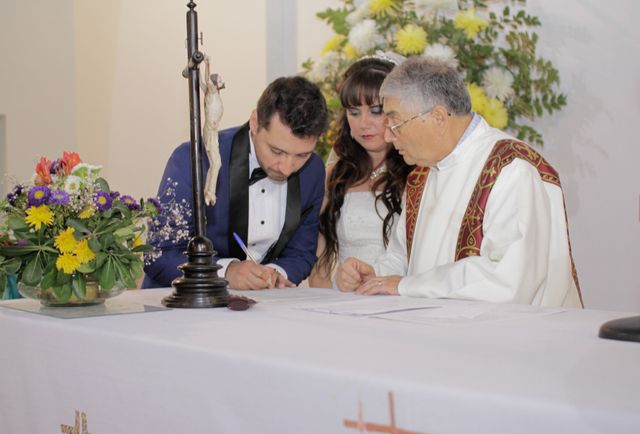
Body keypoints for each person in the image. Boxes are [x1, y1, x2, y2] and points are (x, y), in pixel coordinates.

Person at [336, 57, 582, 308]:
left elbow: (509, 278)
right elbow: (403, 257)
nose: (388, 135)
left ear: (439, 117)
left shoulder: (511, 169)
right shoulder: (421, 174)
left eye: (395, 123)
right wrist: (375, 276)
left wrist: (405, 286)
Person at [143, 76, 328, 290]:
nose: (287, 167)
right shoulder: (195, 159)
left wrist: (276, 275)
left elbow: (302, 253)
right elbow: (158, 254)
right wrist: (225, 272)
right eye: (276, 151)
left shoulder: (313, 171)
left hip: (264, 311)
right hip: (181, 308)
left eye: (302, 155)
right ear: (255, 122)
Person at [308, 57, 412, 288]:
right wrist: (337, 286)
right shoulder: (333, 176)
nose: (364, 123)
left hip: (404, 298)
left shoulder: (418, 173)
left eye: (376, 111)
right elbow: (319, 269)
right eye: (354, 112)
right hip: (347, 300)